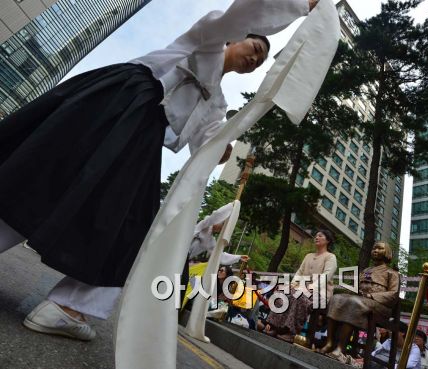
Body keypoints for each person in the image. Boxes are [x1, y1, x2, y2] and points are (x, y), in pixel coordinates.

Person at [0, 0, 318, 341]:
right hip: (118, 100)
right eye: (254, 47)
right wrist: (302, 4)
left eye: (259, 61)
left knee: (128, 221)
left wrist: (224, 148)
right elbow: (245, 13)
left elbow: (209, 146)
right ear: (234, 39)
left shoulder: (218, 104)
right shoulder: (208, 35)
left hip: (143, 136)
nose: (255, 59)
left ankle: (66, 308)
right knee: (38, 174)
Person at [320, 241, 400, 358]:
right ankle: (330, 342)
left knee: (354, 303)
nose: (376, 251)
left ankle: (341, 348)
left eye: (380, 249)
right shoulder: (366, 270)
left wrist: (371, 296)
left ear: (387, 252)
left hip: (380, 305)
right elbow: (356, 288)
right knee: (336, 299)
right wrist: (351, 290)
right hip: (361, 300)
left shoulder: (392, 273)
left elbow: (393, 294)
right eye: (374, 248)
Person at [264, 230, 338, 343]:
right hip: (301, 288)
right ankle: (276, 327)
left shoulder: (330, 257)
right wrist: (292, 285)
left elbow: (326, 276)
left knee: (299, 297)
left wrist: (311, 287)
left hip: (320, 293)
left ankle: (291, 332)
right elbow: (299, 272)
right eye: (316, 235)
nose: (316, 237)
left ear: (327, 240)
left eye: (320, 236)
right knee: (282, 292)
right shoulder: (308, 256)